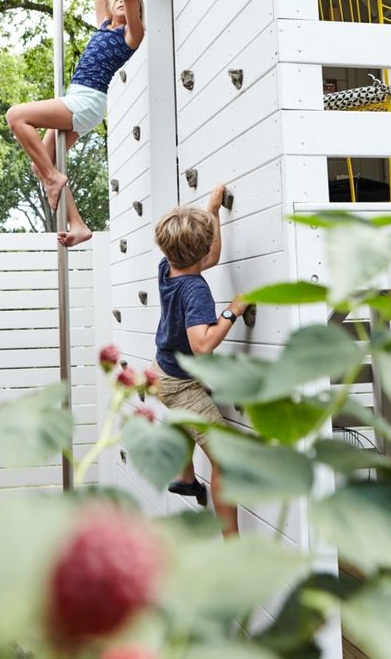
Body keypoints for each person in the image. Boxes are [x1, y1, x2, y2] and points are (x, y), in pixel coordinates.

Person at [6, 0, 145, 247]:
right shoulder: (104, 25)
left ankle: (55, 179)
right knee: (41, 162)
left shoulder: (131, 36)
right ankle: (78, 224)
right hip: (79, 101)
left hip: (87, 101)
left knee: (16, 116)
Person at [152, 185, 247, 536]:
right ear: (200, 249)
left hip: (164, 368)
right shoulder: (196, 290)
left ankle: (185, 477)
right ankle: (232, 540)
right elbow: (202, 345)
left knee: (187, 420)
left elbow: (211, 256)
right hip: (182, 383)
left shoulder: (168, 266)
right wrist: (231, 312)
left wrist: (213, 211)